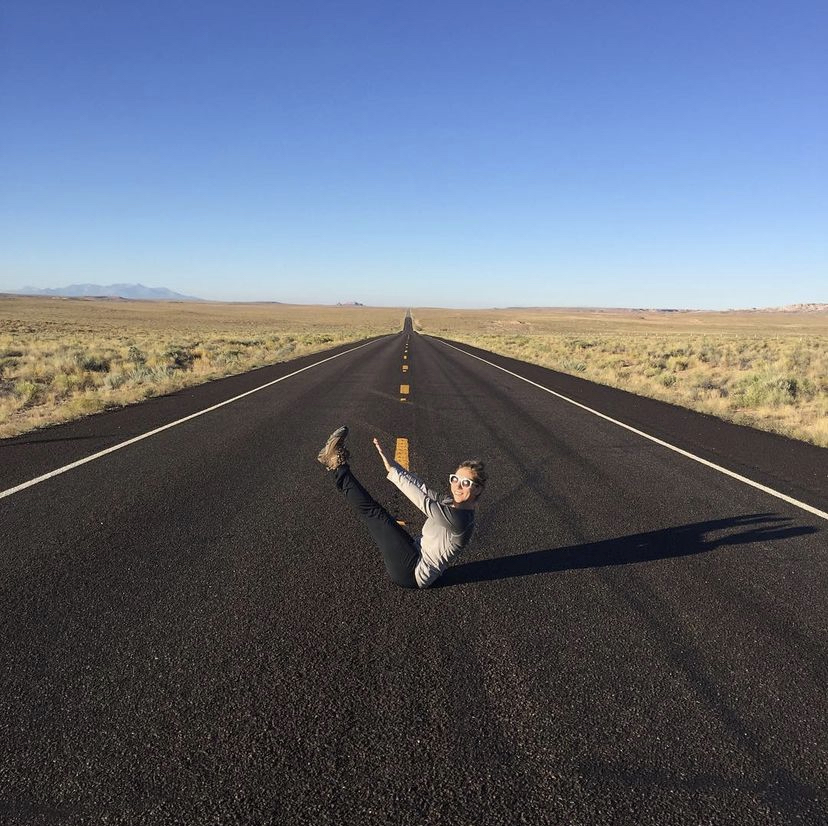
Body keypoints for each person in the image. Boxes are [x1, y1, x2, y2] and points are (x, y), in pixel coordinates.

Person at [317, 426, 486, 588]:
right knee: (377, 514)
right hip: (414, 551)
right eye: (455, 479)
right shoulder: (450, 503)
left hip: (413, 573)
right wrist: (393, 465)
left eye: (466, 483)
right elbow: (423, 489)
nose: (457, 486)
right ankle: (337, 467)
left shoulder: (461, 520)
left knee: (374, 513)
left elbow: (424, 502)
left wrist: (396, 475)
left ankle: (336, 465)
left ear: (478, 488)